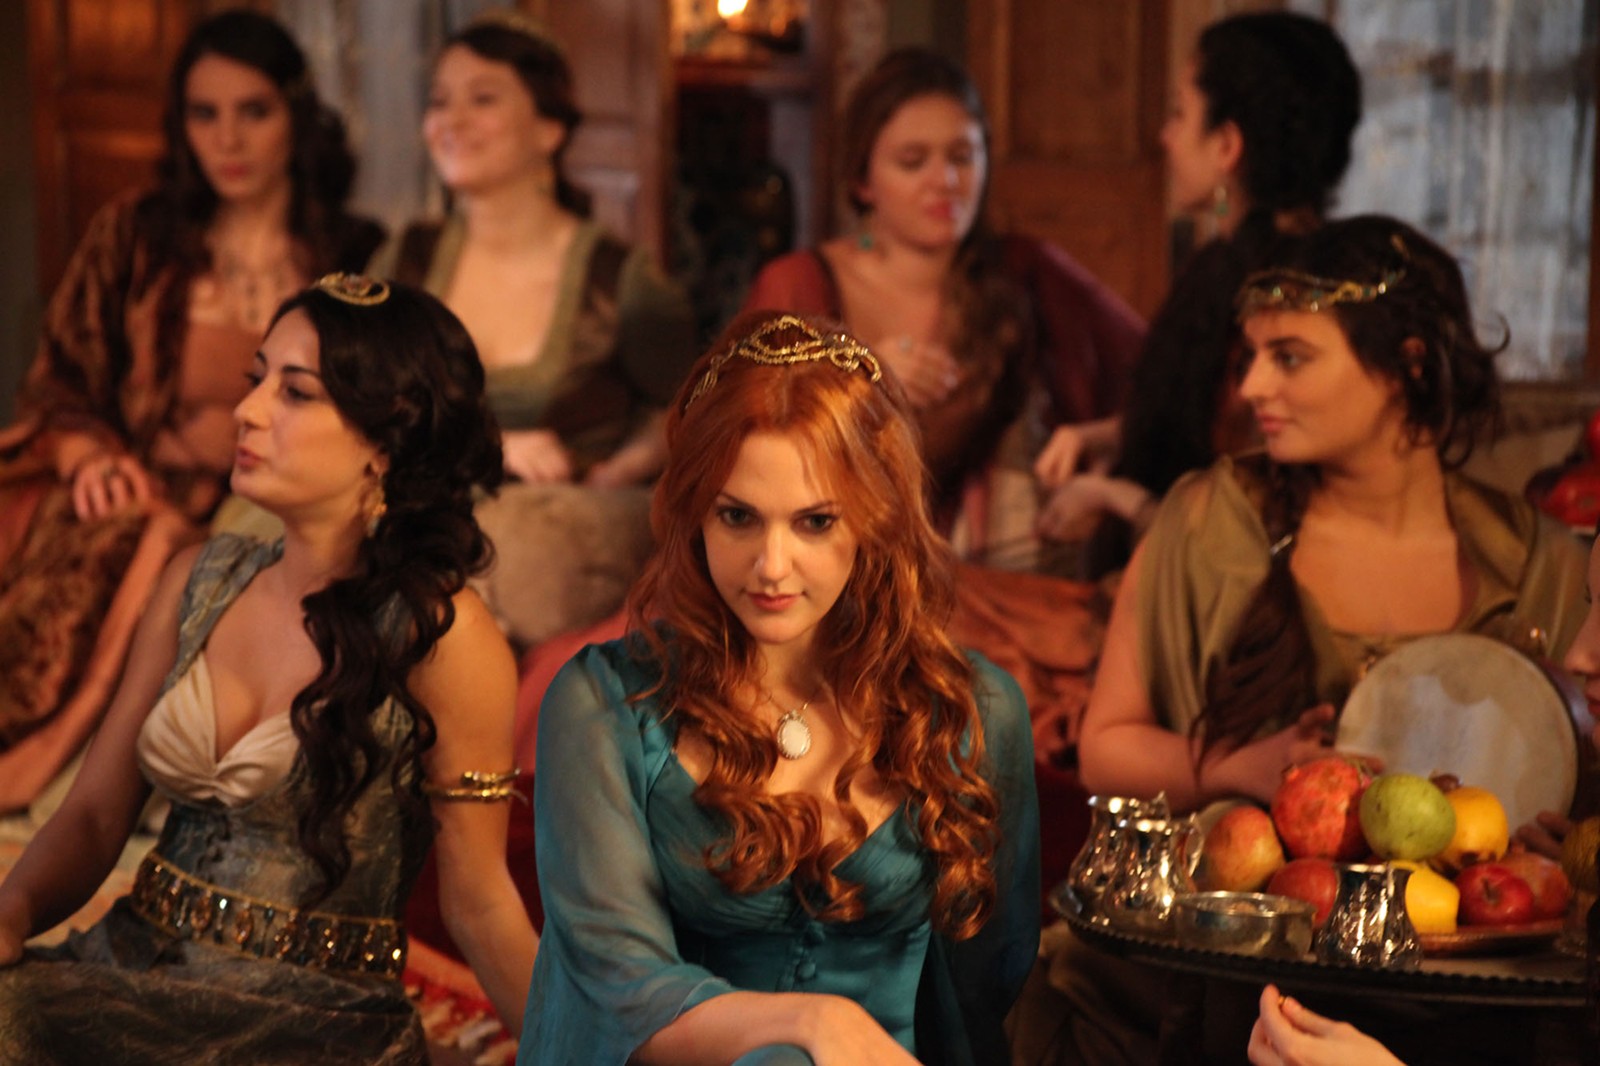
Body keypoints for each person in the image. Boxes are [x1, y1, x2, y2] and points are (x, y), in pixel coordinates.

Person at [1030, 216, 1587, 1065]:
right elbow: (1106, 747)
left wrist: (1557, 852)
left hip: (1472, 1006)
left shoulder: (1539, 563)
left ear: (1406, 365)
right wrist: (1237, 768)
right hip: (1229, 989)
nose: (1253, 384)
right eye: (1251, 356)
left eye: (1290, 357)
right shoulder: (1208, 523)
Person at [0, 275, 537, 1061]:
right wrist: (12, 910)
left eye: (295, 393)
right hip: (126, 975)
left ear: (383, 444)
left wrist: (579, 1051)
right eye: (257, 380)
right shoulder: (200, 578)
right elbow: (92, 817)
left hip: (312, 1026)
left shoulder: (441, 635)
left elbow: (481, 904)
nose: (246, 411)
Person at [518, 311, 1040, 1065]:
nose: (771, 565)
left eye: (814, 522)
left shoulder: (972, 712)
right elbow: (619, 986)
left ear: (876, 517)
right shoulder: (605, 704)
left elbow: (983, 988)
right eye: (738, 516)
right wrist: (812, 1024)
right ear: (695, 512)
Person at [0, 9, 383, 811]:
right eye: (204, 114)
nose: (228, 139)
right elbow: (63, 376)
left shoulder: (349, 252)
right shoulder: (138, 233)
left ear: (296, 115)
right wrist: (87, 453)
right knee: (102, 544)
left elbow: (377, 398)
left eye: (254, 111)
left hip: (271, 499)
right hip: (138, 485)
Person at [742, 46, 1143, 542]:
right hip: (831, 556)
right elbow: (738, 442)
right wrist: (854, 386)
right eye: (913, 162)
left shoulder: (1026, 270)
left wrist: (1099, 448)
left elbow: (1165, 379)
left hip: (993, 560)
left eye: (962, 157)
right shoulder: (799, 284)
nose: (946, 182)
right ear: (863, 181)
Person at [1033, 11, 1361, 567]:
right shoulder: (1230, 265)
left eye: (1179, 114)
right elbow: (1202, 428)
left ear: (1227, 145)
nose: (1165, 137)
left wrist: (1110, 497)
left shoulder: (1280, 298)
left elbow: (1253, 527)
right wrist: (1107, 436)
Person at [368, 8, 697, 488]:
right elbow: (357, 396)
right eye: (439, 101)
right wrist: (487, 445)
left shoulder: (618, 278)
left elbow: (686, 406)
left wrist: (621, 471)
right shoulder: (405, 257)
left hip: (559, 516)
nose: (452, 120)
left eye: (482, 99)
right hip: (413, 509)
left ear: (549, 129)